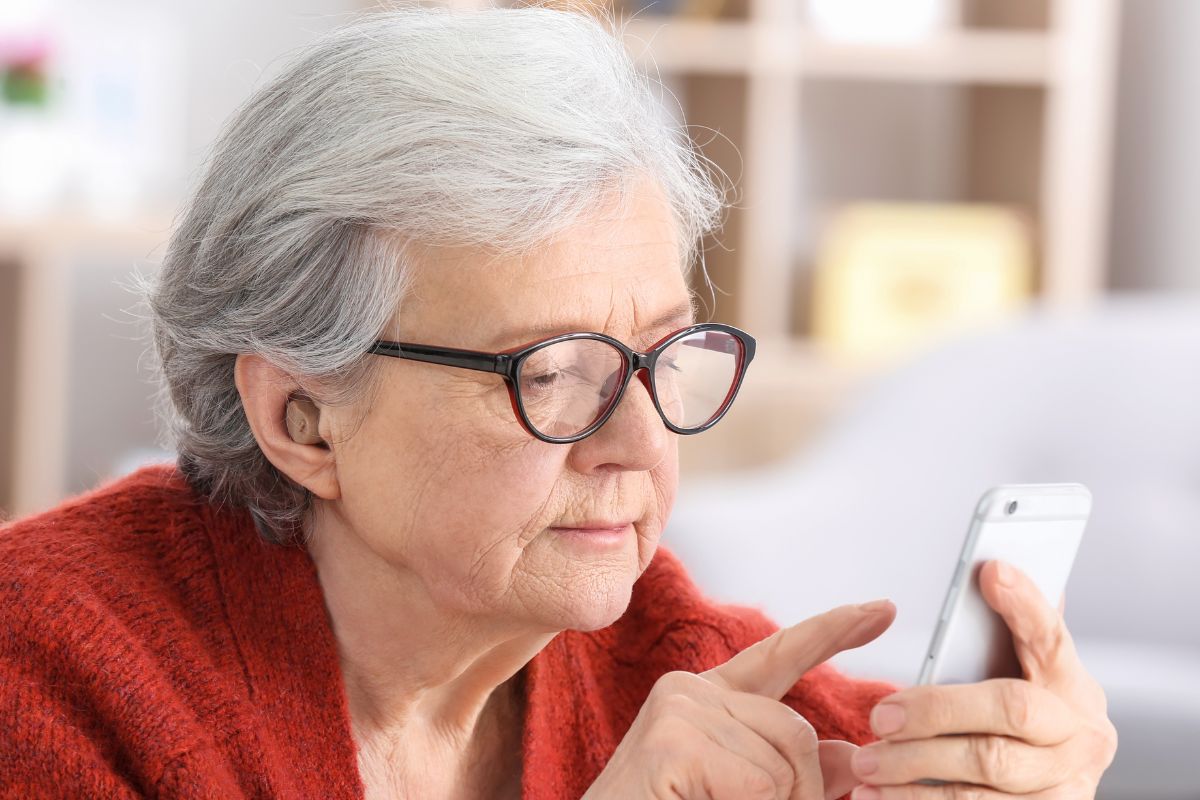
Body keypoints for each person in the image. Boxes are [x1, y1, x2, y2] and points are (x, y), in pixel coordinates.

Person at [0, 6, 1116, 799]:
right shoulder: (48, 670)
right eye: (553, 374)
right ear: (305, 418)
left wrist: (1033, 759)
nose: (641, 441)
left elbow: (912, 751)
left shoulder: (662, 653)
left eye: (661, 355)